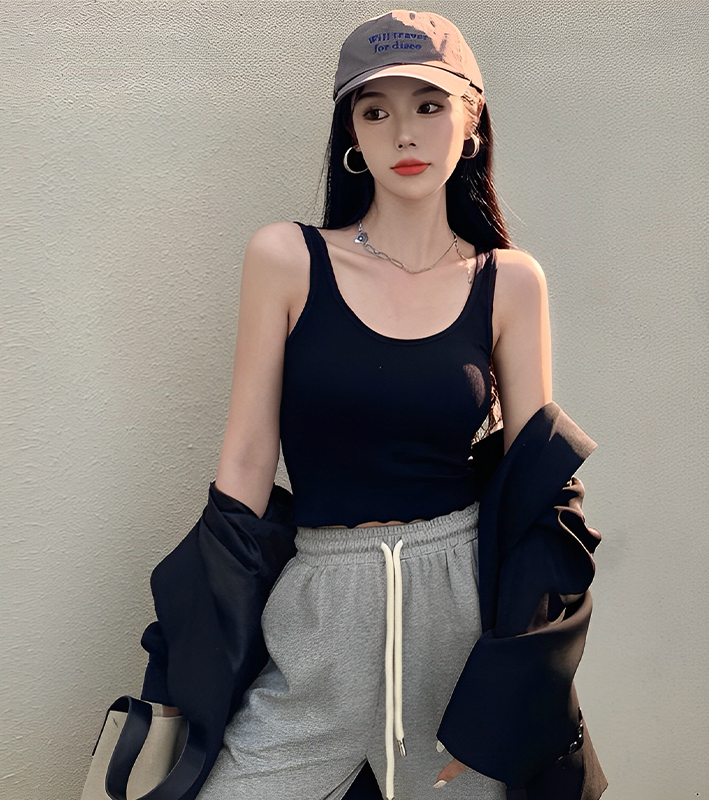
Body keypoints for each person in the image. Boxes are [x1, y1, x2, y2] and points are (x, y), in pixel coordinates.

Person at [148, 9, 573, 800]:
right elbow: (246, 464)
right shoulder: (287, 257)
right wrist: (180, 645)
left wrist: (514, 686)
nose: (403, 133)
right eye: (375, 111)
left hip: (458, 620)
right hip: (320, 611)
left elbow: (536, 495)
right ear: (352, 131)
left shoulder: (510, 281)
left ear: (471, 119)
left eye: (429, 105)